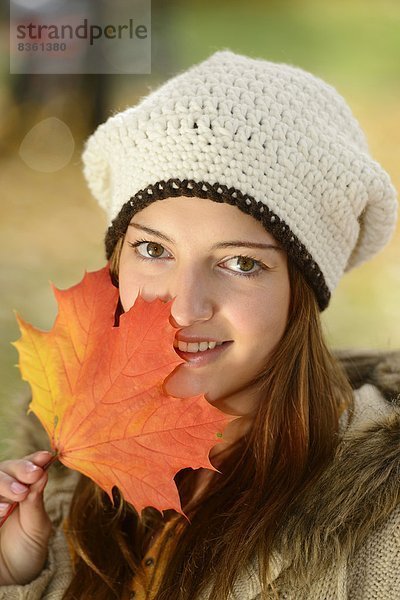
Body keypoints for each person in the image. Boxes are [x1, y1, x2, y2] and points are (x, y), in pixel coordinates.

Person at [0, 50, 399, 600]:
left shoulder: (383, 522)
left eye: (241, 263)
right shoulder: (64, 481)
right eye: (152, 249)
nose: (185, 308)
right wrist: (22, 579)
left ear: (300, 295)